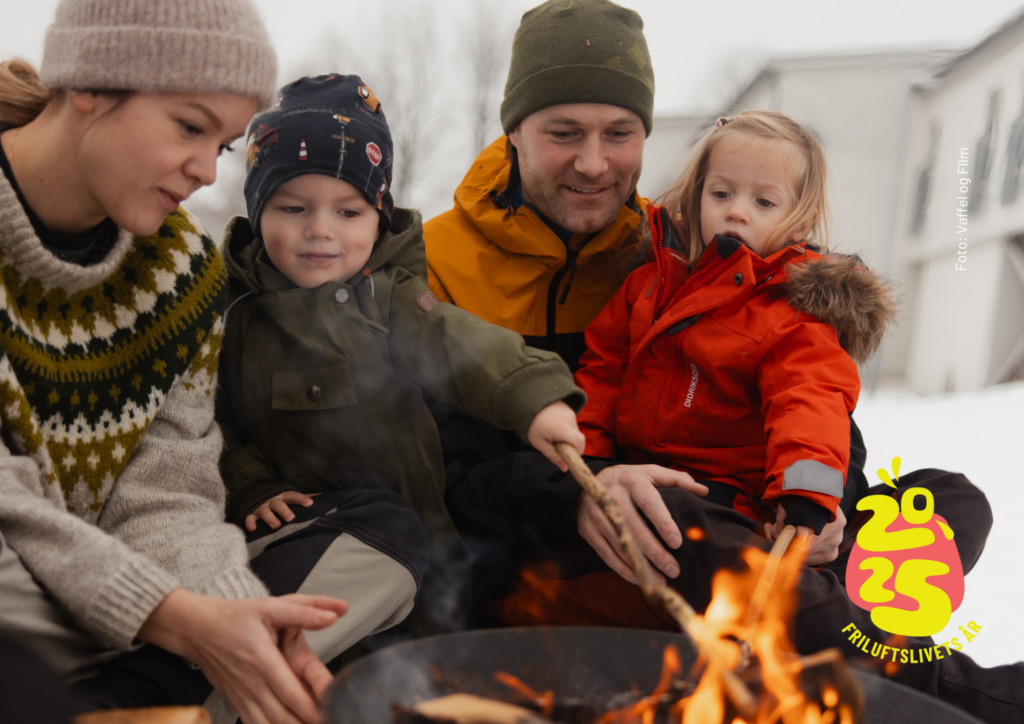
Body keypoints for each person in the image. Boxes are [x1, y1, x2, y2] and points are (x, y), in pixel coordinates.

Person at [503, 110, 1023, 722]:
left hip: (768, 507)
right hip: (686, 504)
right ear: (697, 194)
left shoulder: (789, 307)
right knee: (674, 517)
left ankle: (824, 596)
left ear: (797, 218)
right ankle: (920, 669)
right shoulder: (647, 286)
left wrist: (809, 503)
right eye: (722, 194)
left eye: (762, 201)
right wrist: (591, 463)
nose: (737, 211)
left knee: (952, 497)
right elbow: (601, 376)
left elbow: (810, 399)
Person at [425, 0, 863, 626]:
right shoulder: (433, 265)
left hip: (700, 521)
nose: (594, 163)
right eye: (564, 132)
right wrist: (585, 487)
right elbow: (437, 467)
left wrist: (820, 505)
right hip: (514, 559)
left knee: (939, 501)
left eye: (619, 133)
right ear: (514, 130)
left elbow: (810, 395)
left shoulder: (674, 257)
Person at [0, 2, 351, 723]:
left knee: (376, 528)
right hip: (37, 592)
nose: (202, 171)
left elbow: (165, 493)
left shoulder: (183, 271)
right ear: (89, 85)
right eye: (190, 127)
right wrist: (170, 614)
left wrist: (237, 617)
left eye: (222, 146)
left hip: (97, 599)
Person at [216, 74, 587, 643]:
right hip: (315, 546)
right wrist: (250, 488)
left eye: (348, 212)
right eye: (293, 207)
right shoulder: (235, 314)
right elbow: (213, 424)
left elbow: (458, 342)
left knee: (431, 670)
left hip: (426, 546)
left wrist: (532, 397)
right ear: (257, 208)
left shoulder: (386, 298)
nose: (320, 231)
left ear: (379, 217)